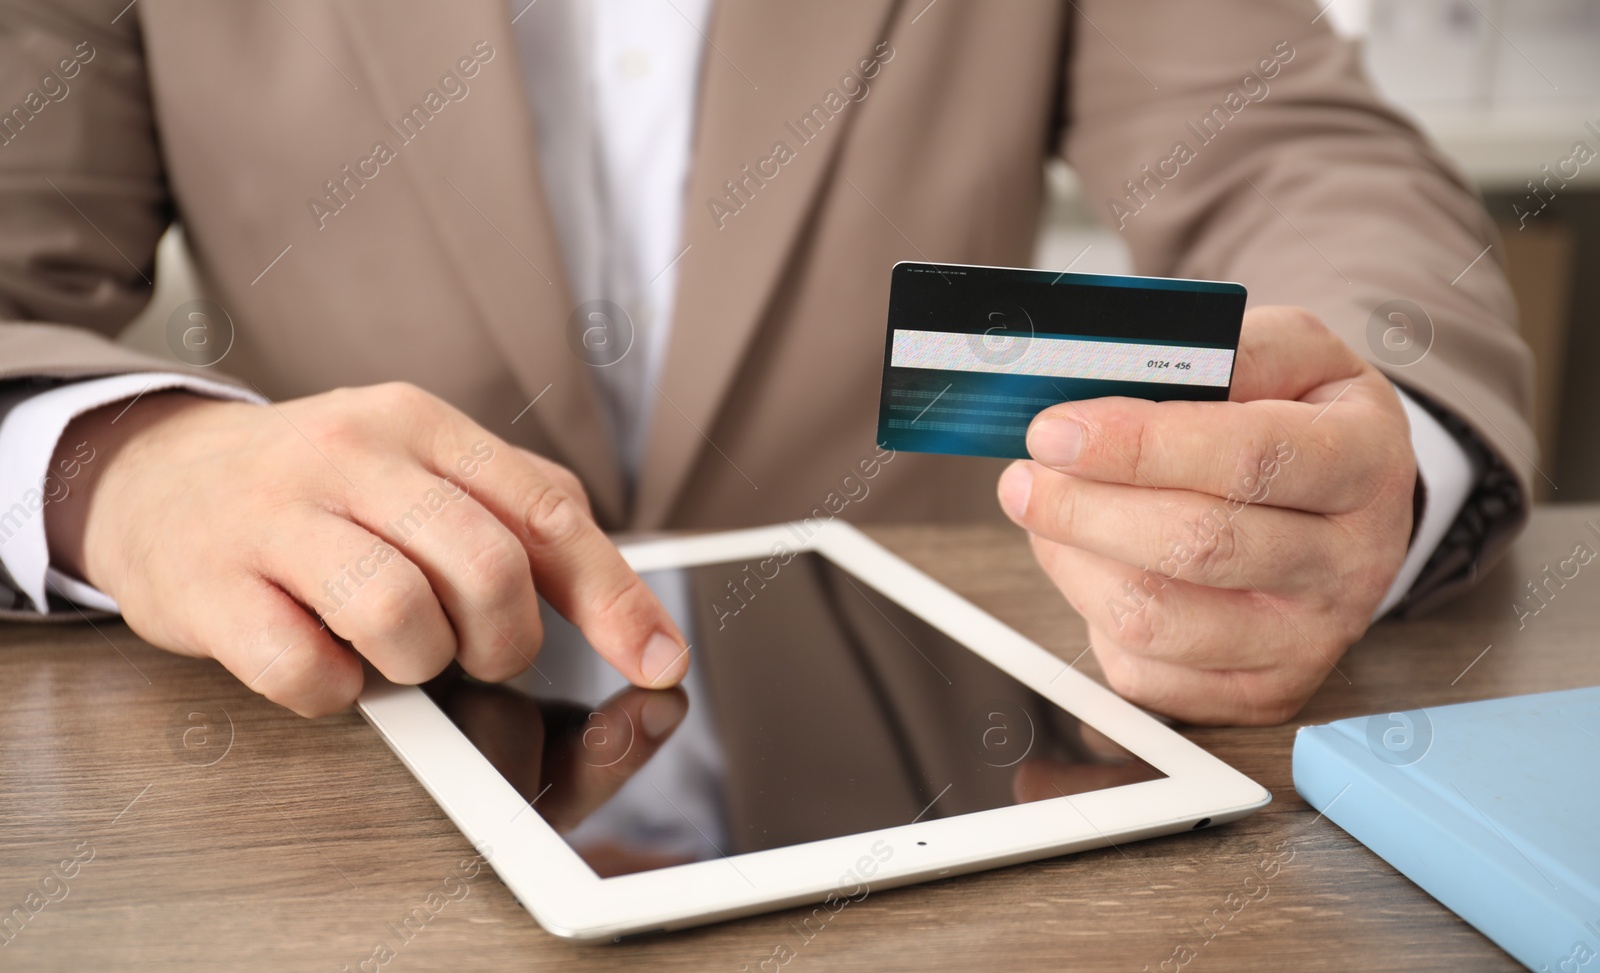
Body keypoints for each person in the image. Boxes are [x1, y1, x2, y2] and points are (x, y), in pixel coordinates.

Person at [0, 0, 1532, 725]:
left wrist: (1364, 462)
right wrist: (119, 469)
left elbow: (1295, 145)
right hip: (347, 768)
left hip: (923, 774)